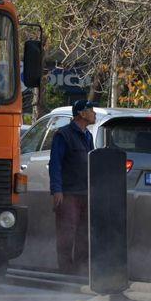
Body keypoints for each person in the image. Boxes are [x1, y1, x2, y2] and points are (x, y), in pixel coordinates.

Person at [49, 99, 96, 274]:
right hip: (68, 193)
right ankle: (66, 271)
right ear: (82, 114)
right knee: (66, 234)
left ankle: (81, 270)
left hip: (85, 193)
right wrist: (57, 190)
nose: (94, 114)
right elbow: (55, 164)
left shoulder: (88, 135)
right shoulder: (63, 135)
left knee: (84, 234)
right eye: (91, 110)